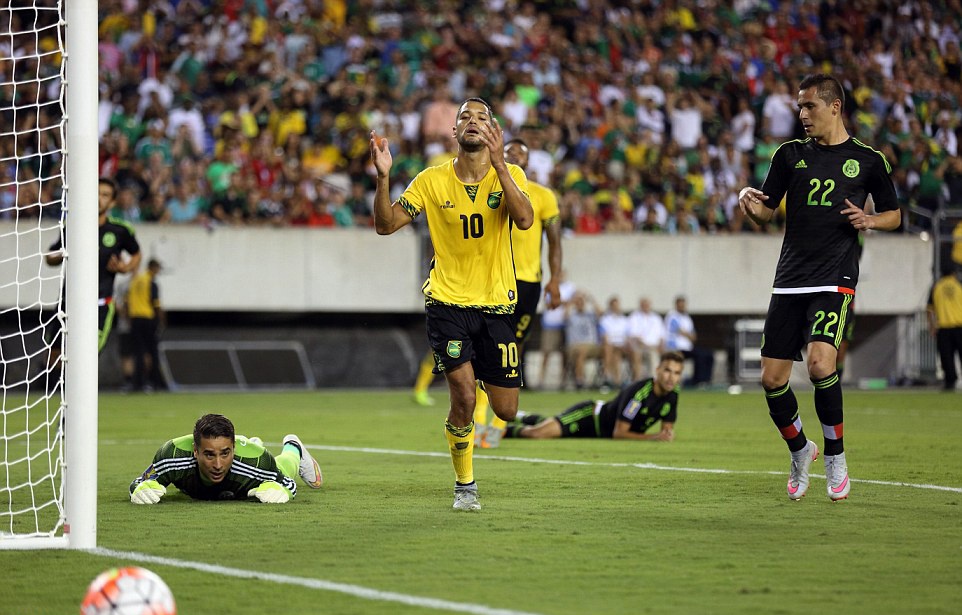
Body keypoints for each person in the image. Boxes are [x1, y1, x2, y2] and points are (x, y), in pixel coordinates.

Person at [737, 73, 901, 502]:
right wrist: (749, 205)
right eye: (799, 107)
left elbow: (894, 214)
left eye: (809, 106)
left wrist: (870, 220)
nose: (803, 115)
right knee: (771, 379)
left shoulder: (868, 160)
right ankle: (799, 450)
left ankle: (835, 457)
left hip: (835, 277)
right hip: (790, 278)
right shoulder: (789, 155)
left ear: (834, 106)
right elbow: (767, 212)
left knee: (820, 365)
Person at [371, 97, 534, 511]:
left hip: (497, 305)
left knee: (507, 410)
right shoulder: (431, 180)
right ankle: (465, 485)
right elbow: (386, 225)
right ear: (454, 130)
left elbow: (525, 220)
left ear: (493, 130)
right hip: (447, 303)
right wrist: (383, 178)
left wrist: (501, 165)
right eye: (465, 117)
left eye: (481, 117)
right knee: (463, 397)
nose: (472, 122)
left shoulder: (511, 174)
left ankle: (478, 373)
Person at [475, 137, 563, 448]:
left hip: (526, 283)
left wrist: (555, 280)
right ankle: (478, 421)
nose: (513, 155)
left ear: (527, 161)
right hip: (493, 278)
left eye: (519, 153)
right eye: (509, 150)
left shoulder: (544, 196)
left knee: (513, 349)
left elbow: (555, 242)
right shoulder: (485, 187)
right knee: (484, 348)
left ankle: (497, 428)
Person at [129, 413, 323, 504]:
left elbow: (288, 484)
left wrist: (282, 490)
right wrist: (140, 488)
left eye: (225, 453)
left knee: (281, 466)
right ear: (195, 450)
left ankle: (293, 447)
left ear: (233, 449)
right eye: (209, 454)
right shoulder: (172, 455)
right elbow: (141, 481)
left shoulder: (257, 462)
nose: (218, 465)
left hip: (248, 465)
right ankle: (252, 442)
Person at [46, 177, 142, 354]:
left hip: (100, 304)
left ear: (112, 202)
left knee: (87, 355)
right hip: (69, 302)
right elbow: (50, 256)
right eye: (96, 193)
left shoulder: (120, 230)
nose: (99, 199)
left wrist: (125, 268)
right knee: (55, 357)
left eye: (105, 195)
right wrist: (63, 254)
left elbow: (136, 254)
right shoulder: (72, 225)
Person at [503, 351, 683, 441]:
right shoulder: (640, 393)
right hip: (589, 417)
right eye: (667, 370)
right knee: (538, 434)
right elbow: (619, 432)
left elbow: (666, 430)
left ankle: (524, 417)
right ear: (657, 370)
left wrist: (665, 434)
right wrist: (653, 438)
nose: (671, 377)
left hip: (596, 434)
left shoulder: (673, 395)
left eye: (676, 373)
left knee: (553, 426)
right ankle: (501, 430)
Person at [127, 258, 165, 392]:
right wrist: (161, 320)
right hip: (148, 318)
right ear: (153, 268)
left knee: (138, 352)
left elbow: (128, 301)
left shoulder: (135, 280)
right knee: (153, 352)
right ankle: (155, 382)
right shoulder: (150, 282)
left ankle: (137, 383)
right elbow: (155, 303)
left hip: (135, 319)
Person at [664, 295, 714, 388]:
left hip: (687, 347)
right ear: (676, 305)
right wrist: (688, 335)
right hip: (676, 347)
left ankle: (706, 380)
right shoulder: (672, 315)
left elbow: (693, 336)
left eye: (683, 305)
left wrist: (689, 335)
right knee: (699, 355)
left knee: (708, 354)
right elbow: (680, 331)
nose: (682, 307)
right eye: (680, 305)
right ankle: (697, 381)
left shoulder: (687, 318)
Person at [926, 262, 962, 391]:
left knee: (946, 357)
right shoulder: (959, 285)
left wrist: (932, 326)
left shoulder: (936, 287)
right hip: (959, 326)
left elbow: (929, 309)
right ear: (954, 273)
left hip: (943, 328)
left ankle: (950, 382)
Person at [627, 297, 666, 380]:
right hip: (640, 346)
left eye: (647, 304)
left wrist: (660, 346)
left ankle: (654, 380)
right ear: (640, 305)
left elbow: (662, 336)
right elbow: (634, 335)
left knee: (654, 355)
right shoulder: (634, 316)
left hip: (654, 347)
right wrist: (646, 346)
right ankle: (638, 380)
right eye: (644, 304)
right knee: (637, 352)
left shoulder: (656, 318)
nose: (646, 306)